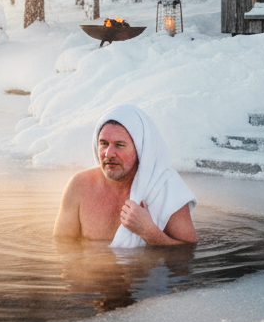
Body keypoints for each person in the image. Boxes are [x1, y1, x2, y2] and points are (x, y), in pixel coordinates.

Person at [53, 103, 197, 248]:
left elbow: (189, 252)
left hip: (144, 270)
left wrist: (149, 232)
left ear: (141, 149)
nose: (108, 154)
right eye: (104, 143)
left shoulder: (166, 189)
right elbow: (63, 247)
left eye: (119, 145)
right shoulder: (80, 186)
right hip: (90, 269)